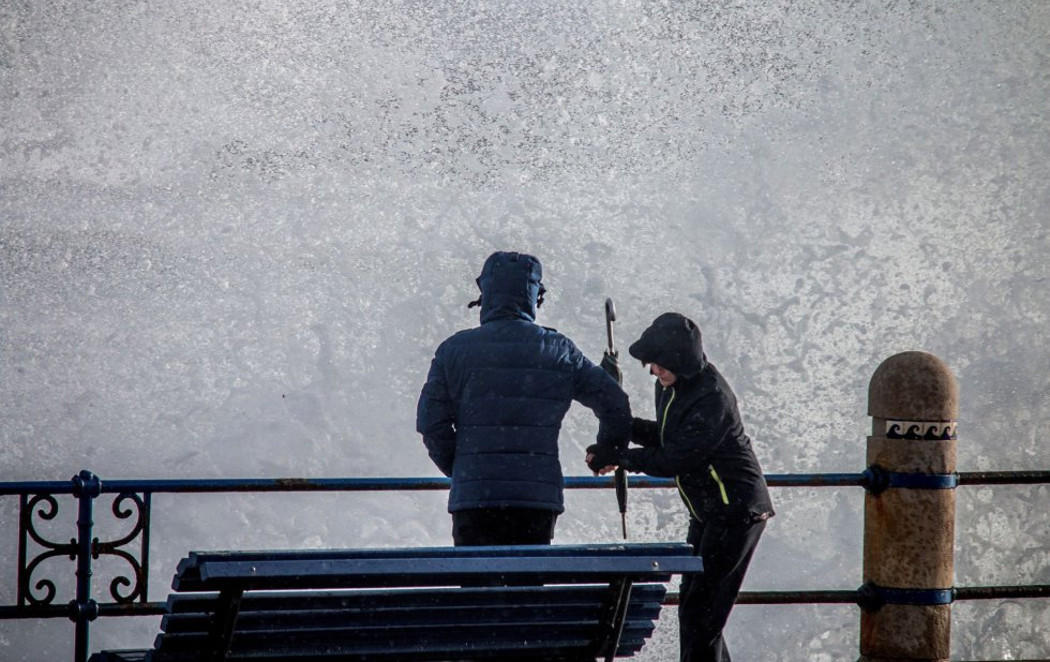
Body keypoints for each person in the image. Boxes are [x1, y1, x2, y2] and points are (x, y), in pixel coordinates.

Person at [587, 312, 774, 662]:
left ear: (678, 362)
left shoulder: (710, 398)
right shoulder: (674, 387)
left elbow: (675, 458)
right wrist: (619, 427)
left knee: (701, 616)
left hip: (736, 512)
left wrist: (622, 457)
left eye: (658, 365)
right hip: (708, 513)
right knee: (696, 610)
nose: (654, 373)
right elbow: (666, 435)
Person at [417, 251, 630, 546]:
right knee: (528, 587)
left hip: (475, 500)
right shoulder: (559, 350)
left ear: (486, 293)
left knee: (478, 588)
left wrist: (465, 469)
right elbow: (615, 403)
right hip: (536, 500)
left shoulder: (454, 350)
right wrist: (607, 449)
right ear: (534, 297)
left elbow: (431, 424)